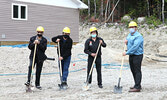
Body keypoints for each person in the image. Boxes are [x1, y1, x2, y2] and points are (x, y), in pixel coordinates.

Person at [123, 21, 144, 92]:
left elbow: (135, 47)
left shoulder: (139, 36)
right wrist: (126, 42)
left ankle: (137, 87)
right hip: (131, 55)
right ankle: (136, 84)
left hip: (137, 55)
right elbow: (130, 43)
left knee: (137, 70)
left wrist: (126, 52)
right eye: (130, 27)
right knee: (132, 70)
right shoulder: (129, 35)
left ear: (136, 28)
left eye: (132, 27)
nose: (131, 28)